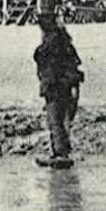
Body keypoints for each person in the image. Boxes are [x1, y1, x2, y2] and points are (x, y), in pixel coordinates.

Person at [34, 11, 84, 168]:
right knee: (62, 121)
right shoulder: (65, 43)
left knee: (55, 121)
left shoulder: (48, 45)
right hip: (65, 85)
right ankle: (61, 152)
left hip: (54, 86)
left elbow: (45, 64)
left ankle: (60, 153)